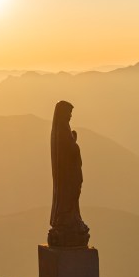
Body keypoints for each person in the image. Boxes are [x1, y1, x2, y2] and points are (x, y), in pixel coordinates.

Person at [48, 100, 89, 248]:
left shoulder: (60, 129)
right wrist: (75, 142)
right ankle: (67, 220)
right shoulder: (62, 130)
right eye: (69, 113)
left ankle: (70, 219)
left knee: (71, 198)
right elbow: (70, 150)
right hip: (67, 177)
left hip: (67, 175)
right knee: (69, 197)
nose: (70, 116)